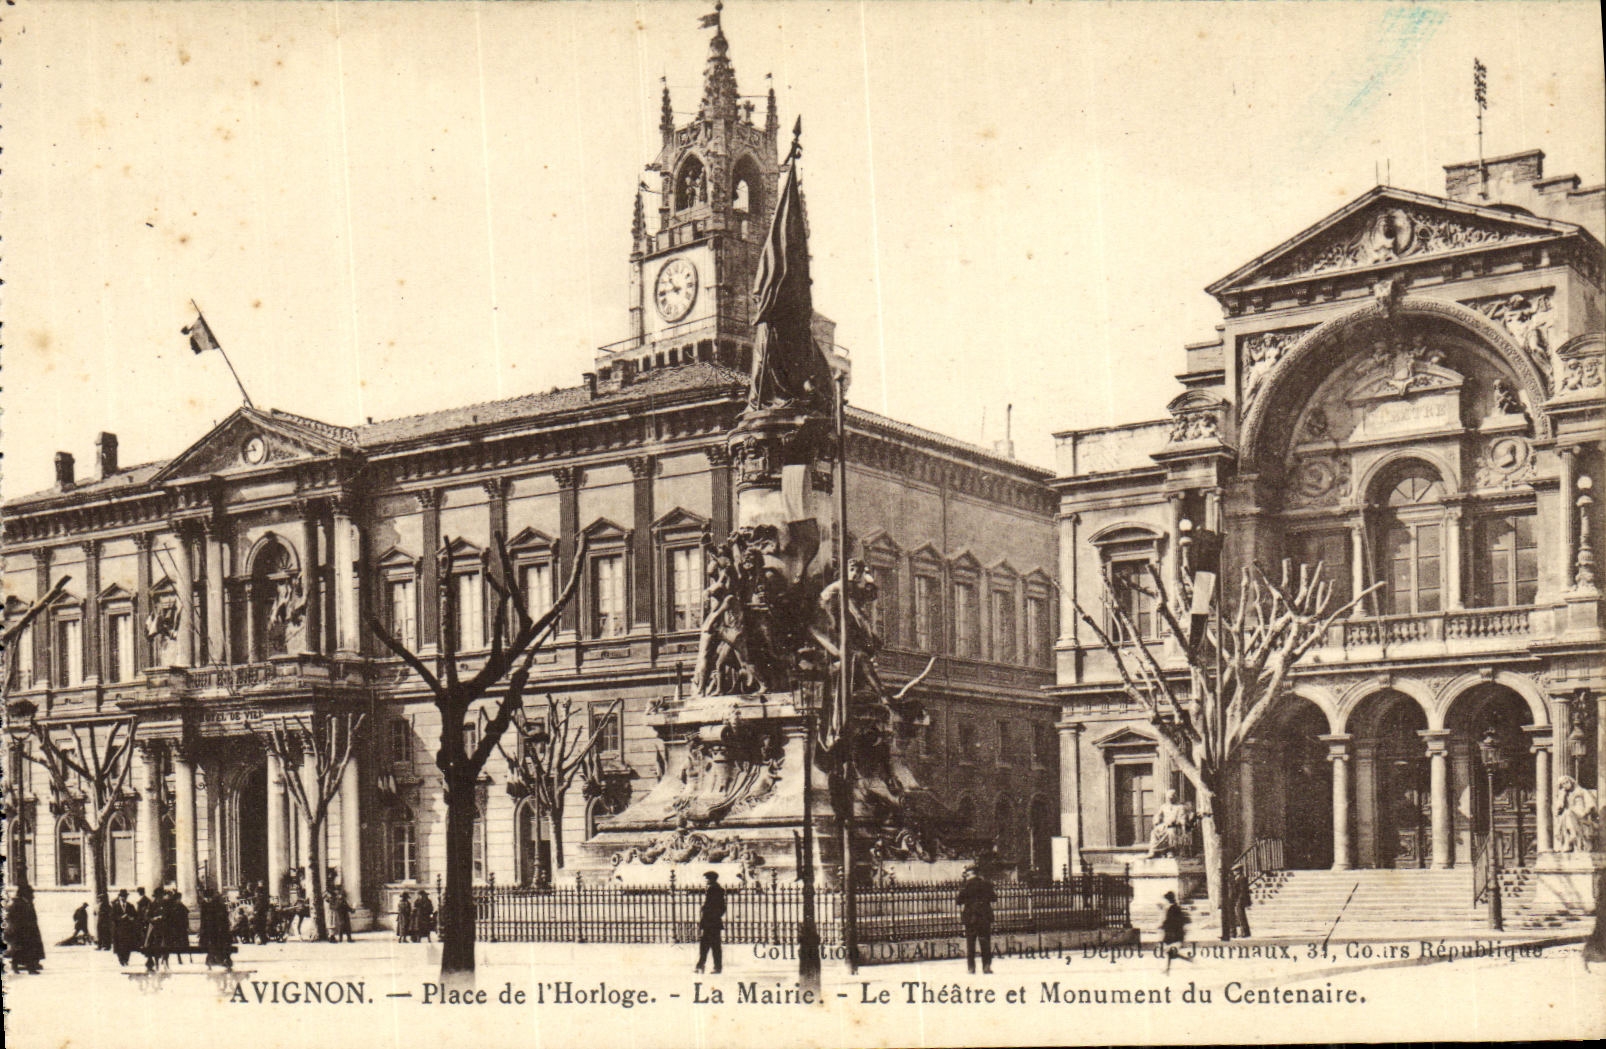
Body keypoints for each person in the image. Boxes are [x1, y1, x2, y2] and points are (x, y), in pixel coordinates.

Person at [956, 867, 997, 974]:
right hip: (984, 917)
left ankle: (971, 968)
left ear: (971, 874)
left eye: (967, 875)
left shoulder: (966, 885)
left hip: (971, 918)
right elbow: (994, 898)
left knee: (971, 943)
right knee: (985, 943)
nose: (966, 877)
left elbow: (959, 901)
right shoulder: (986, 884)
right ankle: (986, 966)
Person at [6, 884, 46, 974]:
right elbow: (13, 918)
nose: (33, 895)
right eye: (31, 893)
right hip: (21, 931)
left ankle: (26, 967)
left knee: (26, 950)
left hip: (27, 931)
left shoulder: (26, 903)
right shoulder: (18, 904)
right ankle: (25, 968)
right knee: (24, 950)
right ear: (25, 893)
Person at [694, 871, 727, 974]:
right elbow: (722, 907)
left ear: (712, 879)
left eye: (707, 878)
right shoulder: (716, 889)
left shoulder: (713, 890)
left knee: (707, 945)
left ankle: (702, 966)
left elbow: (712, 906)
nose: (705, 880)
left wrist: (706, 912)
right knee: (713, 945)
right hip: (714, 922)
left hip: (710, 922)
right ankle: (713, 967)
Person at [198, 888, 235, 970]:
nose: (207, 900)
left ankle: (223, 961)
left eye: (209, 898)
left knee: (221, 945)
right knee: (211, 945)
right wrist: (202, 930)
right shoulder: (204, 905)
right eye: (206, 898)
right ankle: (212, 961)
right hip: (209, 930)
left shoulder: (218, 905)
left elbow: (223, 918)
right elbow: (203, 919)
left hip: (219, 929)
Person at [1161, 891, 1191, 974]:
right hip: (1173, 932)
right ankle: (1168, 969)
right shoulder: (1174, 907)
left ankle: (1169, 968)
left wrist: (1164, 925)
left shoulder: (1172, 908)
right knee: (1170, 952)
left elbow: (1171, 920)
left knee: (1169, 951)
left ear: (1168, 899)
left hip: (1173, 933)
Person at [142, 889, 171, 971]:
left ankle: (166, 962)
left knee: (166, 946)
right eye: (158, 897)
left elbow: (169, 915)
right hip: (155, 928)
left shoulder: (166, 904)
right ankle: (156, 963)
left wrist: (164, 918)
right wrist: (154, 919)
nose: (160, 899)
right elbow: (147, 917)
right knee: (154, 946)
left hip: (164, 928)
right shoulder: (151, 904)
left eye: (161, 897)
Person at [112, 889, 140, 966]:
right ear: (120, 897)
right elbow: (112, 917)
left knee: (127, 945)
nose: (124, 898)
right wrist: (121, 918)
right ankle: (121, 959)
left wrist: (132, 918)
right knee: (119, 946)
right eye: (122, 896)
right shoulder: (115, 906)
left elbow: (136, 916)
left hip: (128, 929)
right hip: (119, 929)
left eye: (125, 896)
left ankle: (126, 960)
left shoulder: (130, 906)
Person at [167, 891, 192, 963]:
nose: (179, 900)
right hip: (174, 928)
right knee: (174, 944)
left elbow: (186, 916)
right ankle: (178, 958)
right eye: (178, 899)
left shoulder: (181, 906)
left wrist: (187, 926)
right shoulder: (172, 907)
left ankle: (188, 957)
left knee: (184, 943)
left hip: (181, 927)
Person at [1229, 867, 1253, 939]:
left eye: (1235, 870)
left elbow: (1243, 891)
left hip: (1241, 899)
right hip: (1236, 899)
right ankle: (1243, 932)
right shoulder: (1235, 878)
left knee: (1241, 916)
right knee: (1238, 916)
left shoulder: (1242, 878)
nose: (1234, 872)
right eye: (1233, 871)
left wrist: (1239, 900)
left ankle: (1245, 932)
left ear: (1239, 871)